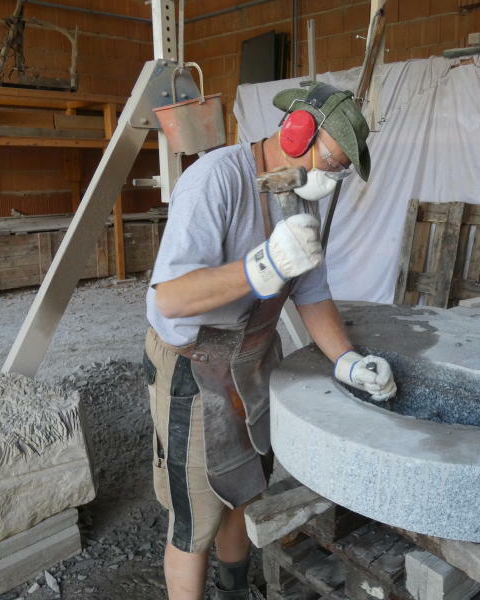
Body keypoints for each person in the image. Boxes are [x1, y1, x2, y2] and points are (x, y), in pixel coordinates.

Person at [143, 82, 397, 600]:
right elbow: (169, 298)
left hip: (254, 361)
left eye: (342, 169)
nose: (332, 177)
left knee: (241, 490)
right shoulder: (214, 181)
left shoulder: (300, 191)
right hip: (195, 366)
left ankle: (235, 591)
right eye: (333, 160)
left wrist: (346, 360)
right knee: (195, 520)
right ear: (296, 130)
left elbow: (311, 287)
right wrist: (263, 265)